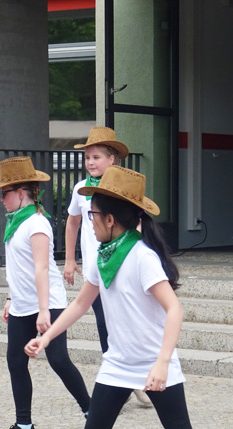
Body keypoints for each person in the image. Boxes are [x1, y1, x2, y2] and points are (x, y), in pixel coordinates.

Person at [25, 166, 233, 429]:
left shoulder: (143, 258)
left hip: (154, 364)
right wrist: (46, 336)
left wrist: (162, 363)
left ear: (111, 220)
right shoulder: (103, 255)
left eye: (92, 215)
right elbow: (81, 302)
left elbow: (174, 310)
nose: (88, 220)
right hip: (117, 364)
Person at [0, 156, 90, 429]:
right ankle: (24, 425)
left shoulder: (37, 223)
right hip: (22, 304)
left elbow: (42, 268)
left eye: (4, 193)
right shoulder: (15, 223)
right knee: (15, 361)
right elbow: (17, 267)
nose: (1, 200)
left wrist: (44, 310)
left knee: (58, 359)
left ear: (21, 193)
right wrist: (10, 297)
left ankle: (92, 411)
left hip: (49, 303)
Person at [63, 127, 152, 408]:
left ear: (112, 159)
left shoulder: (122, 187)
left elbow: (137, 223)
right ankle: (119, 383)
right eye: (87, 157)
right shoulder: (81, 189)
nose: (91, 162)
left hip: (123, 268)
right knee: (106, 327)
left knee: (131, 325)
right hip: (96, 271)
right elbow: (72, 222)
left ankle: (139, 378)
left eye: (97, 157)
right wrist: (69, 259)